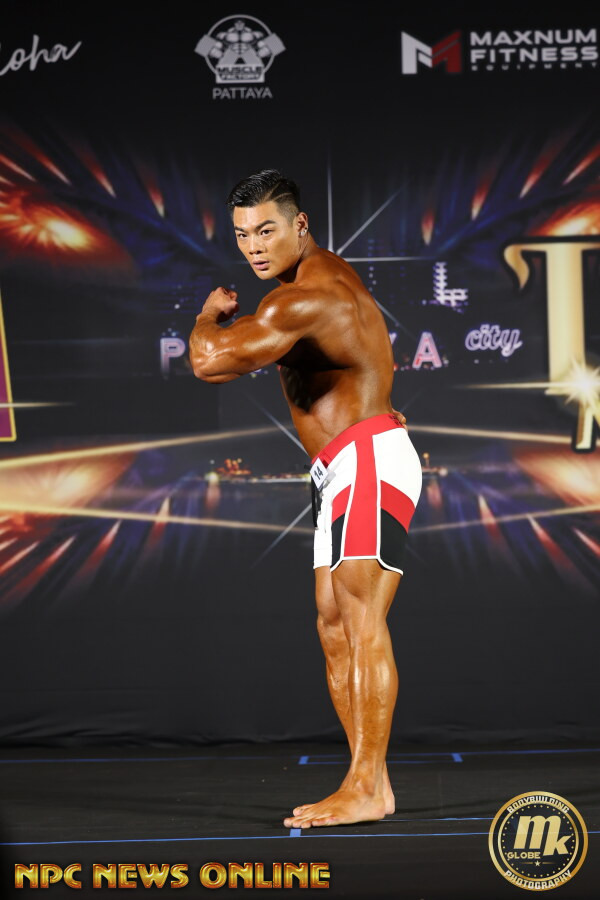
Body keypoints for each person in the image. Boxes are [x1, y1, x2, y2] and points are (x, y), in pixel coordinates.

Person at [189, 169, 422, 828]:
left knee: (359, 616)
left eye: (266, 230)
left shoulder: (310, 297)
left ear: (300, 224)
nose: (254, 247)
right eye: (242, 235)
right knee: (333, 625)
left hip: (367, 457)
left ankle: (366, 786)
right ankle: (368, 783)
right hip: (337, 467)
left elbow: (208, 360)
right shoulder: (302, 289)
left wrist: (207, 315)